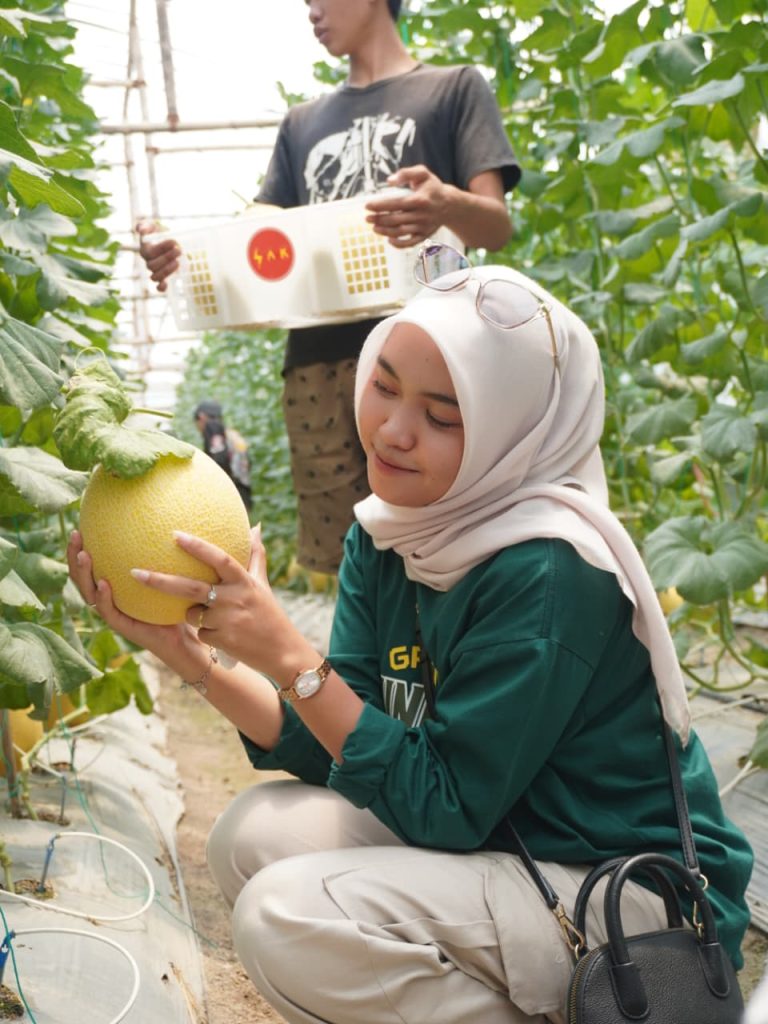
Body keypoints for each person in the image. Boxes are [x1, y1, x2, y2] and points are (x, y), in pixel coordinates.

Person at [68, 245, 753, 1024]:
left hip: (616, 886)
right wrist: (194, 659)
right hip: (506, 838)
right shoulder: (394, 535)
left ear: (512, 431)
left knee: (286, 915)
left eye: (442, 416)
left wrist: (288, 654)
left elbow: (446, 805)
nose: (392, 431)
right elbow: (346, 737)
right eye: (384, 386)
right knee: (249, 837)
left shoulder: (548, 573)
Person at [138, 0, 520, 576]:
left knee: (446, 532)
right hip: (317, 363)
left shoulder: (452, 89)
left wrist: (444, 201)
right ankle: (360, 667)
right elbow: (259, 230)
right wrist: (181, 248)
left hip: (427, 356)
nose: (309, 10)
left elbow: (496, 222)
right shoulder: (301, 123)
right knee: (352, 555)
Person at [192, 399, 253, 512]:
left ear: (201, 417)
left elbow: (218, 461)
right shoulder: (232, 435)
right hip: (243, 493)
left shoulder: (213, 429)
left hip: (229, 495)